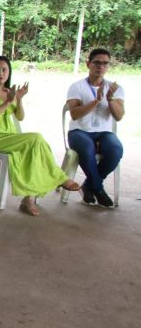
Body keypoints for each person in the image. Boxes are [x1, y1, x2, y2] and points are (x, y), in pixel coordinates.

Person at [0, 56, 80, 216]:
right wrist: (7, 103)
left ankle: (28, 199)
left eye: (4, 70)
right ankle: (59, 177)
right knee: (36, 138)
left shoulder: (8, 91)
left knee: (36, 148)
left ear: (9, 72)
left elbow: (20, 117)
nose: (0, 73)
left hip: (11, 137)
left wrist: (18, 99)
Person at [65, 48, 124, 208]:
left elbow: (119, 116)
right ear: (88, 64)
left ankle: (89, 185)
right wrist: (96, 101)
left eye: (105, 63)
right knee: (86, 149)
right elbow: (75, 114)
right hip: (79, 131)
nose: (101, 67)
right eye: (97, 62)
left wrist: (110, 99)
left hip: (104, 132)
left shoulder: (115, 88)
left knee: (115, 150)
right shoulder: (76, 87)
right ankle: (98, 189)